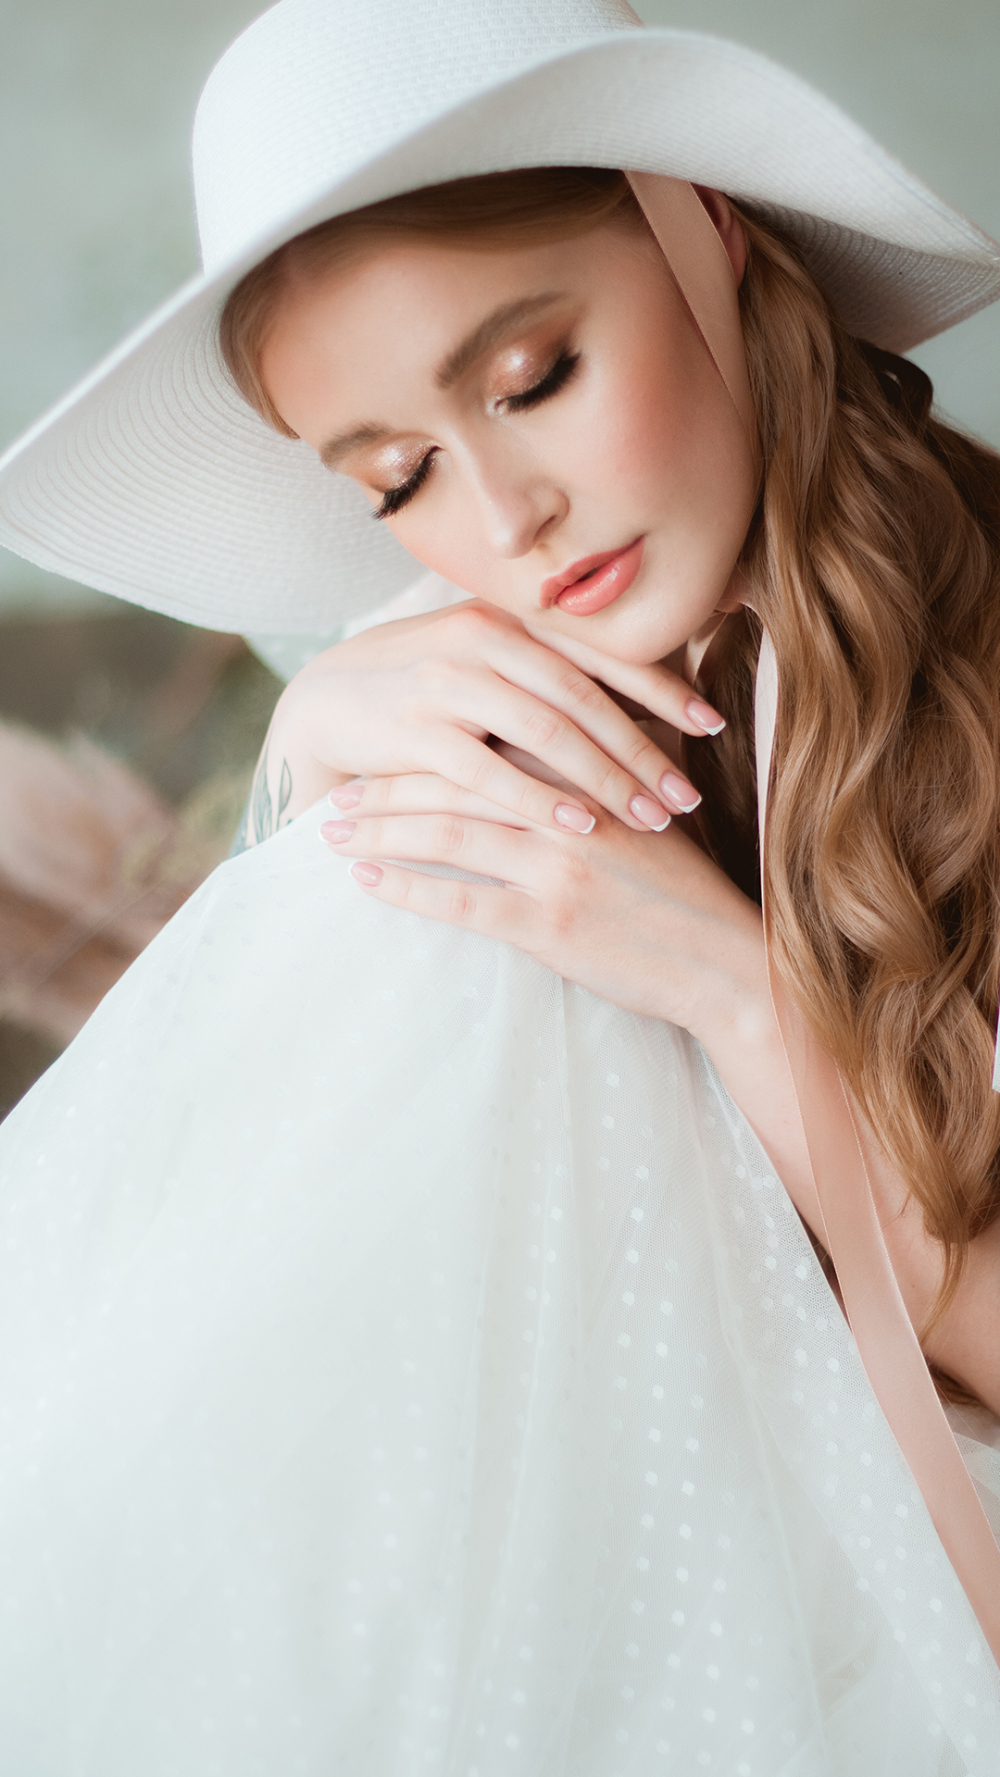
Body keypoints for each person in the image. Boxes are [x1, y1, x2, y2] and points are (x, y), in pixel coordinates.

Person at [0, 0, 998, 1769]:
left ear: (711, 233)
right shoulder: (486, 690)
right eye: (397, 480)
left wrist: (728, 981)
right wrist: (316, 747)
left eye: (533, 377)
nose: (506, 518)